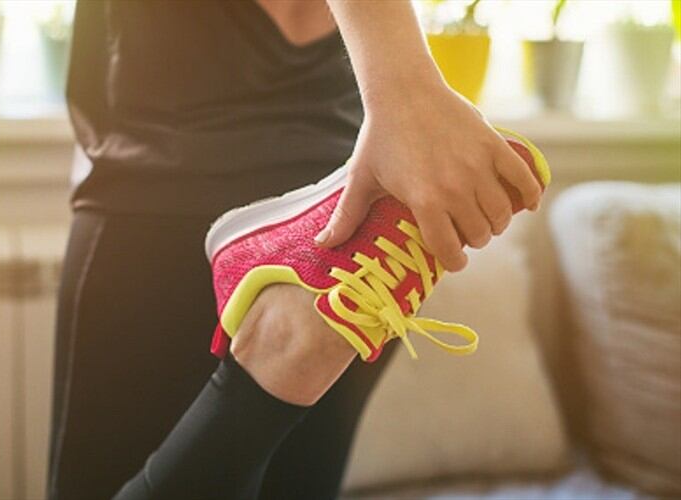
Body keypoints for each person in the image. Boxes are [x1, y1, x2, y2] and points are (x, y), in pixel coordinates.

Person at [48, 1, 542, 499]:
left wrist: (408, 96)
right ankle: (281, 350)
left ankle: (279, 345)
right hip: (354, 237)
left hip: (159, 184)